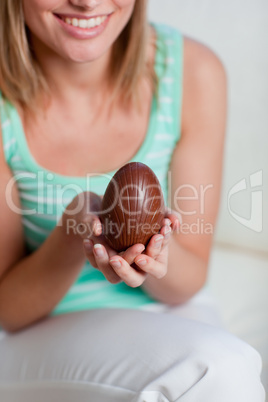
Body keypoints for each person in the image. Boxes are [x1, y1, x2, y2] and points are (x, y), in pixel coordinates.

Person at [0, 0, 265, 401]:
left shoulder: (191, 71)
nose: (87, 2)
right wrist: (75, 234)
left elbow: (188, 282)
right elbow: (8, 310)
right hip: (39, 331)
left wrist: (154, 252)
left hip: (171, 311)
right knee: (215, 368)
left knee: (230, 368)